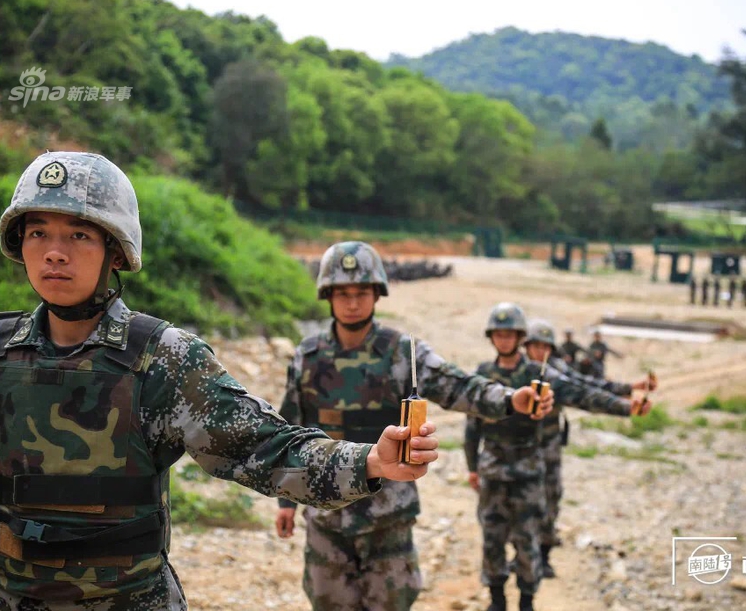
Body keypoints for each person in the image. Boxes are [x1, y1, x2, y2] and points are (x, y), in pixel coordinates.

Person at [0, 152, 444, 611]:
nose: (55, 252)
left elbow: (263, 447)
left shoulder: (162, 359)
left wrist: (370, 462)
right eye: (38, 233)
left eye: (78, 234)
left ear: (116, 252)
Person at [275, 243, 553, 611]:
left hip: (387, 515)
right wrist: (285, 501)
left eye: (361, 292)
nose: (352, 303)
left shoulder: (402, 353)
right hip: (327, 513)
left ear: (377, 294)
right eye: (343, 293)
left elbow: (458, 385)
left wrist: (508, 399)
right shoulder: (307, 357)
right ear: (328, 295)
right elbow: (292, 429)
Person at [465, 306, 649, 611]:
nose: (504, 339)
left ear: (519, 337)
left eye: (510, 334)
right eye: (499, 334)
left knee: (527, 539)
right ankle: (496, 599)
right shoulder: (483, 374)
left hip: (528, 470)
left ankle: (527, 599)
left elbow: (582, 393)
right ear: (491, 337)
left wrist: (625, 407)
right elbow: (472, 426)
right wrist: (472, 467)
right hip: (492, 469)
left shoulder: (539, 373)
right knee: (492, 538)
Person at [520, 319, 655, 585]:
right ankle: (522, 556)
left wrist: (628, 394)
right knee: (518, 505)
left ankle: (543, 555)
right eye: (535, 346)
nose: (540, 352)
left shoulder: (556, 372)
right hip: (517, 449)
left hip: (548, 448)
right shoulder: (516, 370)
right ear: (526, 347)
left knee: (550, 498)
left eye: (545, 347)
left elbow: (587, 389)